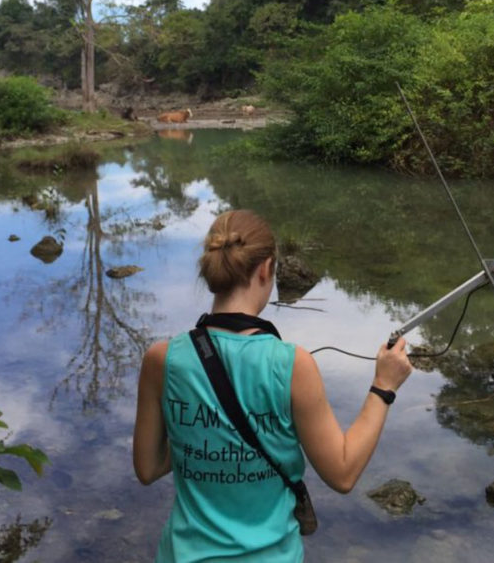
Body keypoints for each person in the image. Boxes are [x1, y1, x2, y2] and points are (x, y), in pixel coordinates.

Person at [133, 209, 413, 562]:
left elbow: (147, 468)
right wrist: (383, 386)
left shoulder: (161, 360)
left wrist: (206, 434)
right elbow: (343, 473)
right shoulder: (292, 365)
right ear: (266, 269)